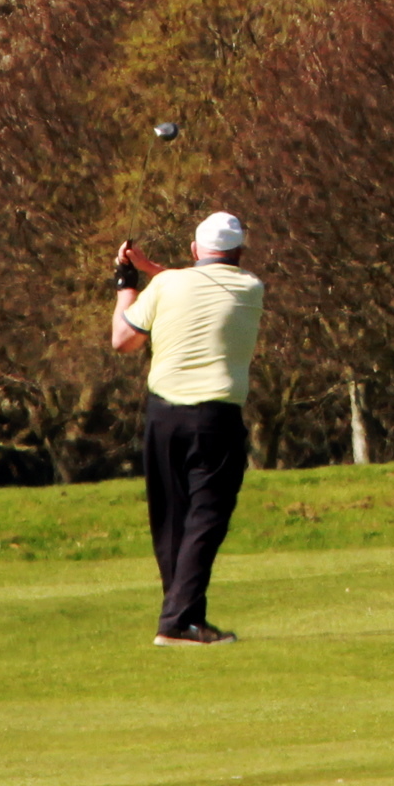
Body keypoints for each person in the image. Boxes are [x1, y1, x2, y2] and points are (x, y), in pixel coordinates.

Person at [109, 211, 263, 647]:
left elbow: (124, 338)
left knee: (173, 520)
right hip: (215, 419)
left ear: (195, 250)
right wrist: (150, 270)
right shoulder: (251, 288)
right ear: (240, 252)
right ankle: (178, 621)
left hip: (163, 416)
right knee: (206, 518)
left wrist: (126, 284)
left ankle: (182, 618)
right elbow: (201, 283)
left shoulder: (167, 286)